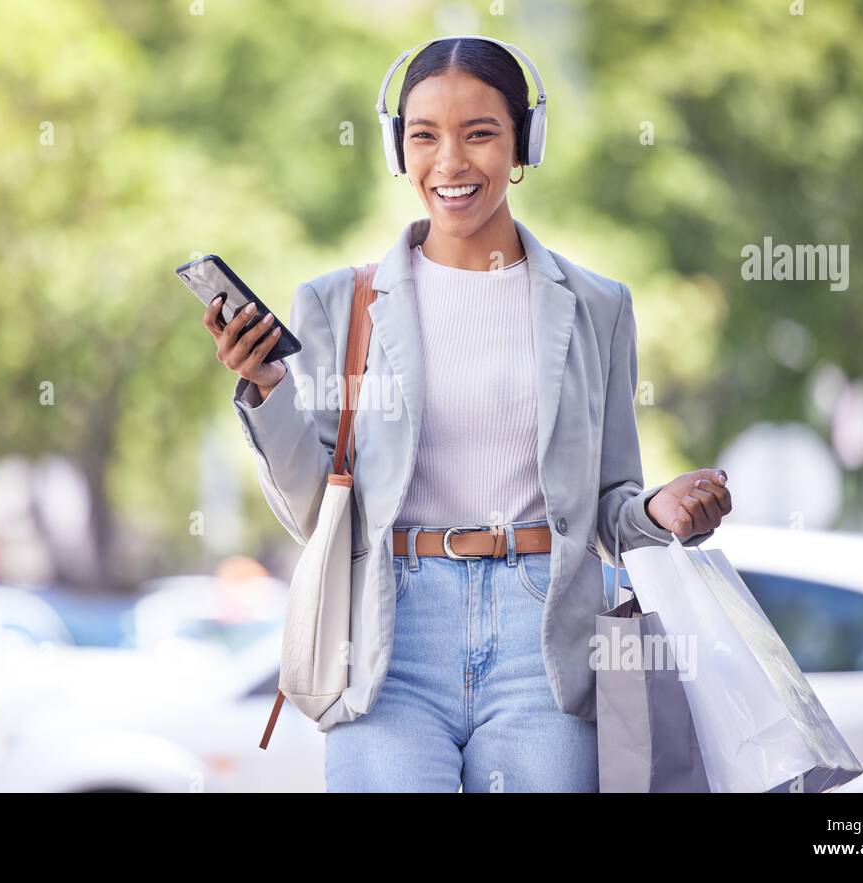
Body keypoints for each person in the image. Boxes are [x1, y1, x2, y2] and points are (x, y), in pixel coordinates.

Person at [201, 36, 732, 792]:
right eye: (424, 135)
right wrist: (265, 388)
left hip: (542, 634)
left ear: (524, 142)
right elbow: (317, 510)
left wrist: (659, 508)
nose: (449, 163)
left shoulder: (596, 307)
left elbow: (611, 502)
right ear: (397, 147)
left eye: (479, 133)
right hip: (390, 634)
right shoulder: (337, 304)